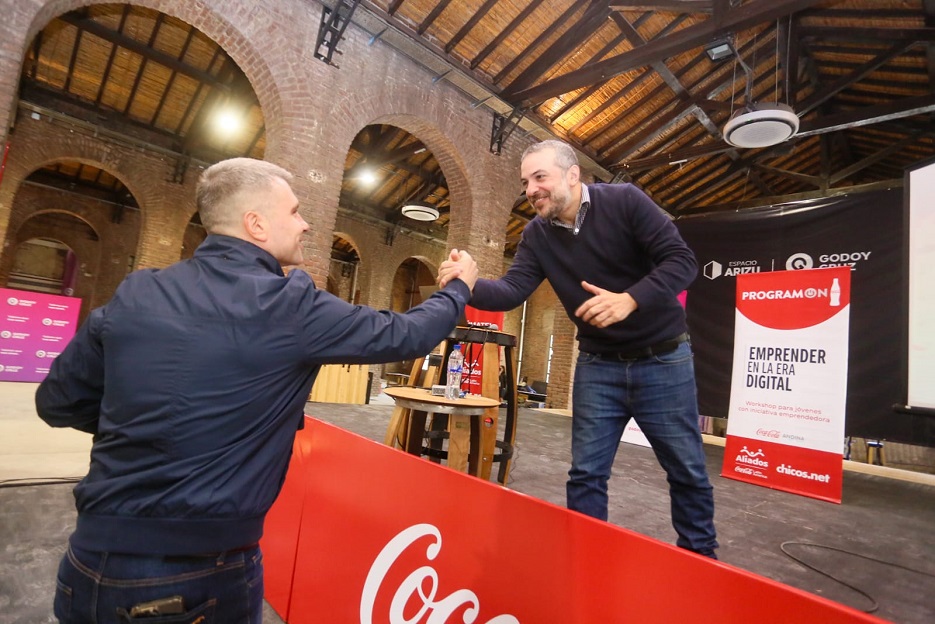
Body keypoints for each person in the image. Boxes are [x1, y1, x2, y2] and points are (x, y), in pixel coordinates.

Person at [35, 157, 479, 623]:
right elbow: (406, 334)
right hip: (194, 580)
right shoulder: (289, 305)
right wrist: (459, 289)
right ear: (257, 224)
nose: (306, 224)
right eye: (295, 212)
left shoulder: (136, 291)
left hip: (86, 564)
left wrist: (149, 425)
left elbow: (58, 401)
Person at [438, 140, 717, 558]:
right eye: (526, 182)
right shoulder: (536, 235)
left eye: (540, 177)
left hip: (663, 360)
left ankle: (702, 561)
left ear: (572, 175)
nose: (531, 190)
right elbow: (512, 291)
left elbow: (682, 262)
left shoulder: (625, 202)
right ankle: (586, 559)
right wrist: (469, 282)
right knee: (586, 474)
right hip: (598, 365)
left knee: (687, 472)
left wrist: (630, 299)